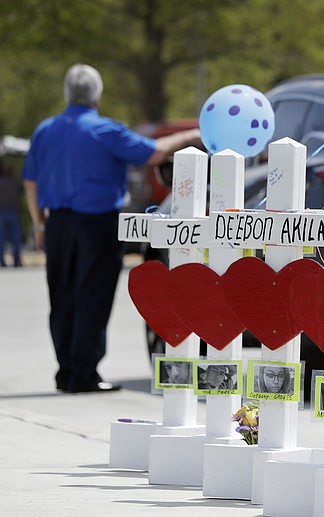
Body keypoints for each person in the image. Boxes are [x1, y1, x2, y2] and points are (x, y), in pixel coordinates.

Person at [22, 63, 203, 394]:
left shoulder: (45, 130)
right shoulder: (105, 130)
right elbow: (155, 152)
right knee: (94, 294)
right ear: (97, 96)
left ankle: (66, 371)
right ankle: (85, 374)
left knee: (62, 297)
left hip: (58, 222)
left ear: (67, 94)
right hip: (97, 222)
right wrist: (193, 133)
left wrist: (39, 225)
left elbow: (30, 182)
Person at [0, 161, 24, 267]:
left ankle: (2, 261)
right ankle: (16, 260)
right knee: (15, 238)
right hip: (13, 213)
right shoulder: (15, 183)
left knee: (2, 239)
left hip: (2, 213)